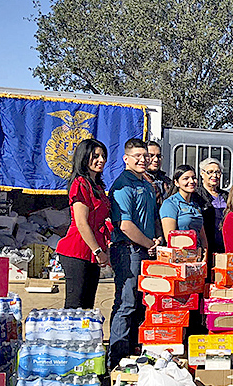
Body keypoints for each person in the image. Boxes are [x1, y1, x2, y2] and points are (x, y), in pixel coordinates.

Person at [108, 138, 161, 369]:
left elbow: (152, 217)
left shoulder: (147, 183)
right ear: (126, 159)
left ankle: (133, 356)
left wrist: (157, 239)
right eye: (137, 156)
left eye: (145, 155)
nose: (143, 159)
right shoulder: (123, 185)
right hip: (128, 252)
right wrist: (149, 242)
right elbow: (125, 226)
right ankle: (117, 361)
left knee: (141, 305)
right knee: (126, 305)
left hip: (146, 250)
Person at [55, 138, 111, 310]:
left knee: (87, 305)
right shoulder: (80, 184)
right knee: (74, 305)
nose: (100, 160)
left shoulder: (98, 186)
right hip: (77, 251)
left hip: (92, 252)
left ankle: (85, 336)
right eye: (95, 156)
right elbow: (81, 222)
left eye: (103, 156)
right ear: (84, 157)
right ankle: (69, 337)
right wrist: (98, 251)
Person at [159, 164, 210, 260]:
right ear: (176, 183)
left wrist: (205, 254)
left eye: (194, 178)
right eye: (186, 178)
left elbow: (202, 234)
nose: (191, 181)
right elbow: (170, 238)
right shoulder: (170, 204)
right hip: (180, 257)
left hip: (197, 257)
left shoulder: (195, 205)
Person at [196, 157, 228, 256]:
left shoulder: (226, 195)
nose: (214, 175)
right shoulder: (197, 195)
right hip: (206, 244)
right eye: (210, 172)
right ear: (202, 173)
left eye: (217, 172)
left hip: (224, 245)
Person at [145, 141, 172, 205]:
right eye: (151, 156)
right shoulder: (139, 181)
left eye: (158, 156)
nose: (156, 160)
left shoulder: (167, 181)